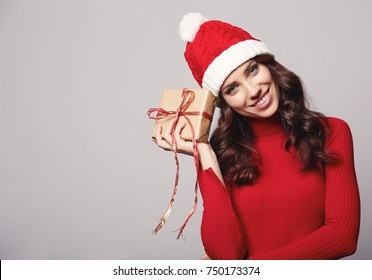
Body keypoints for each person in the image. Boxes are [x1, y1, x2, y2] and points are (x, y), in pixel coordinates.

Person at [152, 13, 360, 260]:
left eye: (252, 70)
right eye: (232, 88)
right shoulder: (220, 152)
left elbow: (342, 239)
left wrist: (246, 271)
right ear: (223, 102)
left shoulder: (331, 133)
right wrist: (204, 152)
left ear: (268, 65)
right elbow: (226, 255)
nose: (253, 91)